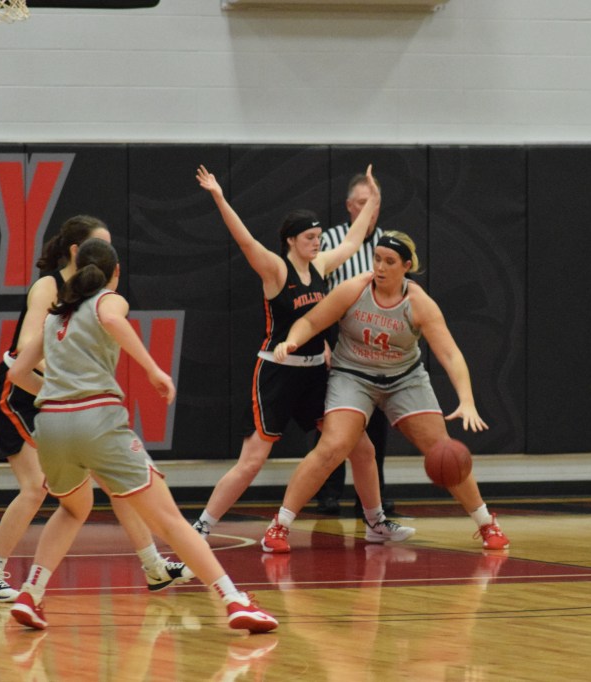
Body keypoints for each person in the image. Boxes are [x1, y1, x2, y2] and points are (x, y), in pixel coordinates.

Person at [6, 238, 277, 632]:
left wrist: (57, 393)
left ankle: (31, 594)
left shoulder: (54, 317)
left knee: (73, 509)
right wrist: (152, 369)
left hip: (51, 426)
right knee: (170, 520)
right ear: (115, 272)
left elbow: (16, 373)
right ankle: (234, 600)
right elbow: (113, 320)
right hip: (96, 420)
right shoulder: (108, 299)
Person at [0, 216, 193, 603]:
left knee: (115, 483)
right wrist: (66, 378)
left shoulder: (91, 298)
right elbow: (25, 346)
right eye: (100, 245)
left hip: (63, 398)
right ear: (77, 251)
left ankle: (153, 566)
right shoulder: (49, 286)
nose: (107, 254)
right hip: (20, 390)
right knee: (35, 487)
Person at [189, 164, 411, 547]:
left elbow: (353, 241)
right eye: (310, 238)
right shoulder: (276, 270)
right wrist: (219, 197)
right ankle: (201, 527)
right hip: (277, 373)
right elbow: (245, 241)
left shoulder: (320, 266)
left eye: (319, 237)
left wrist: (374, 199)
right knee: (252, 461)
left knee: (362, 447)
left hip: (314, 374)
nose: (317, 243)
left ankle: (375, 522)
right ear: (291, 240)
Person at [267, 231, 510, 551]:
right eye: (377, 259)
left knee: (444, 451)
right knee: (332, 446)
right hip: (353, 375)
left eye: (389, 261)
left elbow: (451, 354)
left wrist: (466, 400)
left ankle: (486, 523)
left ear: (406, 266)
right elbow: (310, 322)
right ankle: (280, 525)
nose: (380, 267)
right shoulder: (354, 289)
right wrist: (292, 341)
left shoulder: (419, 303)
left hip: (403, 379)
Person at [315, 172, 393, 517]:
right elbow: (314, 295)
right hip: (338, 335)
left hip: (378, 338)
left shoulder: (389, 244)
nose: (369, 210)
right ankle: (328, 493)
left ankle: (373, 498)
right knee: (334, 419)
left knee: (376, 423)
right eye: (362, 203)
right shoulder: (330, 241)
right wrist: (321, 341)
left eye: (374, 203)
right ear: (349, 206)